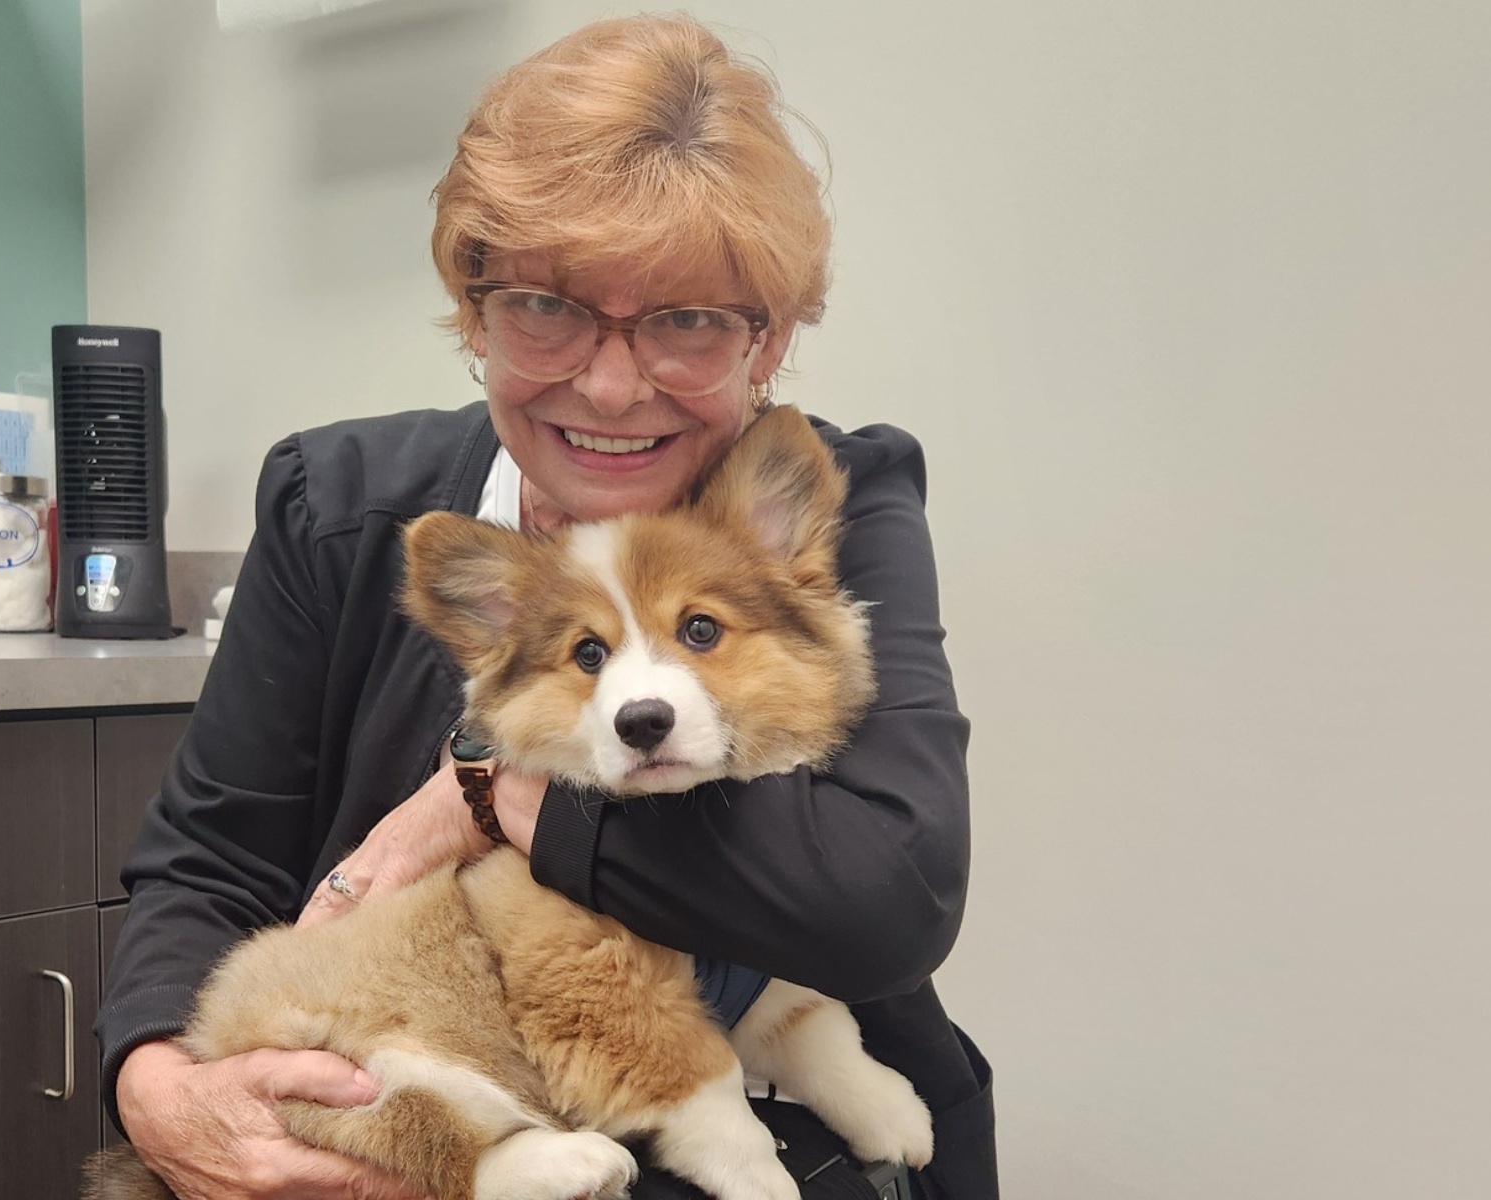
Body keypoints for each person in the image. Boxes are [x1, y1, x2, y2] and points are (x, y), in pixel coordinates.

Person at [96, 14, 996, 1199]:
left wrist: (493, 791)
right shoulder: (339, 505)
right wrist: (164, 1091)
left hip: (784, 1130)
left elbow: (888, 895)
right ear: (473, 313)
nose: (612, 384)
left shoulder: (832, 496)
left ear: (765, 340)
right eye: (545, 306)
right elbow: (209, 862)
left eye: (687, 319)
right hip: (420, 1112)